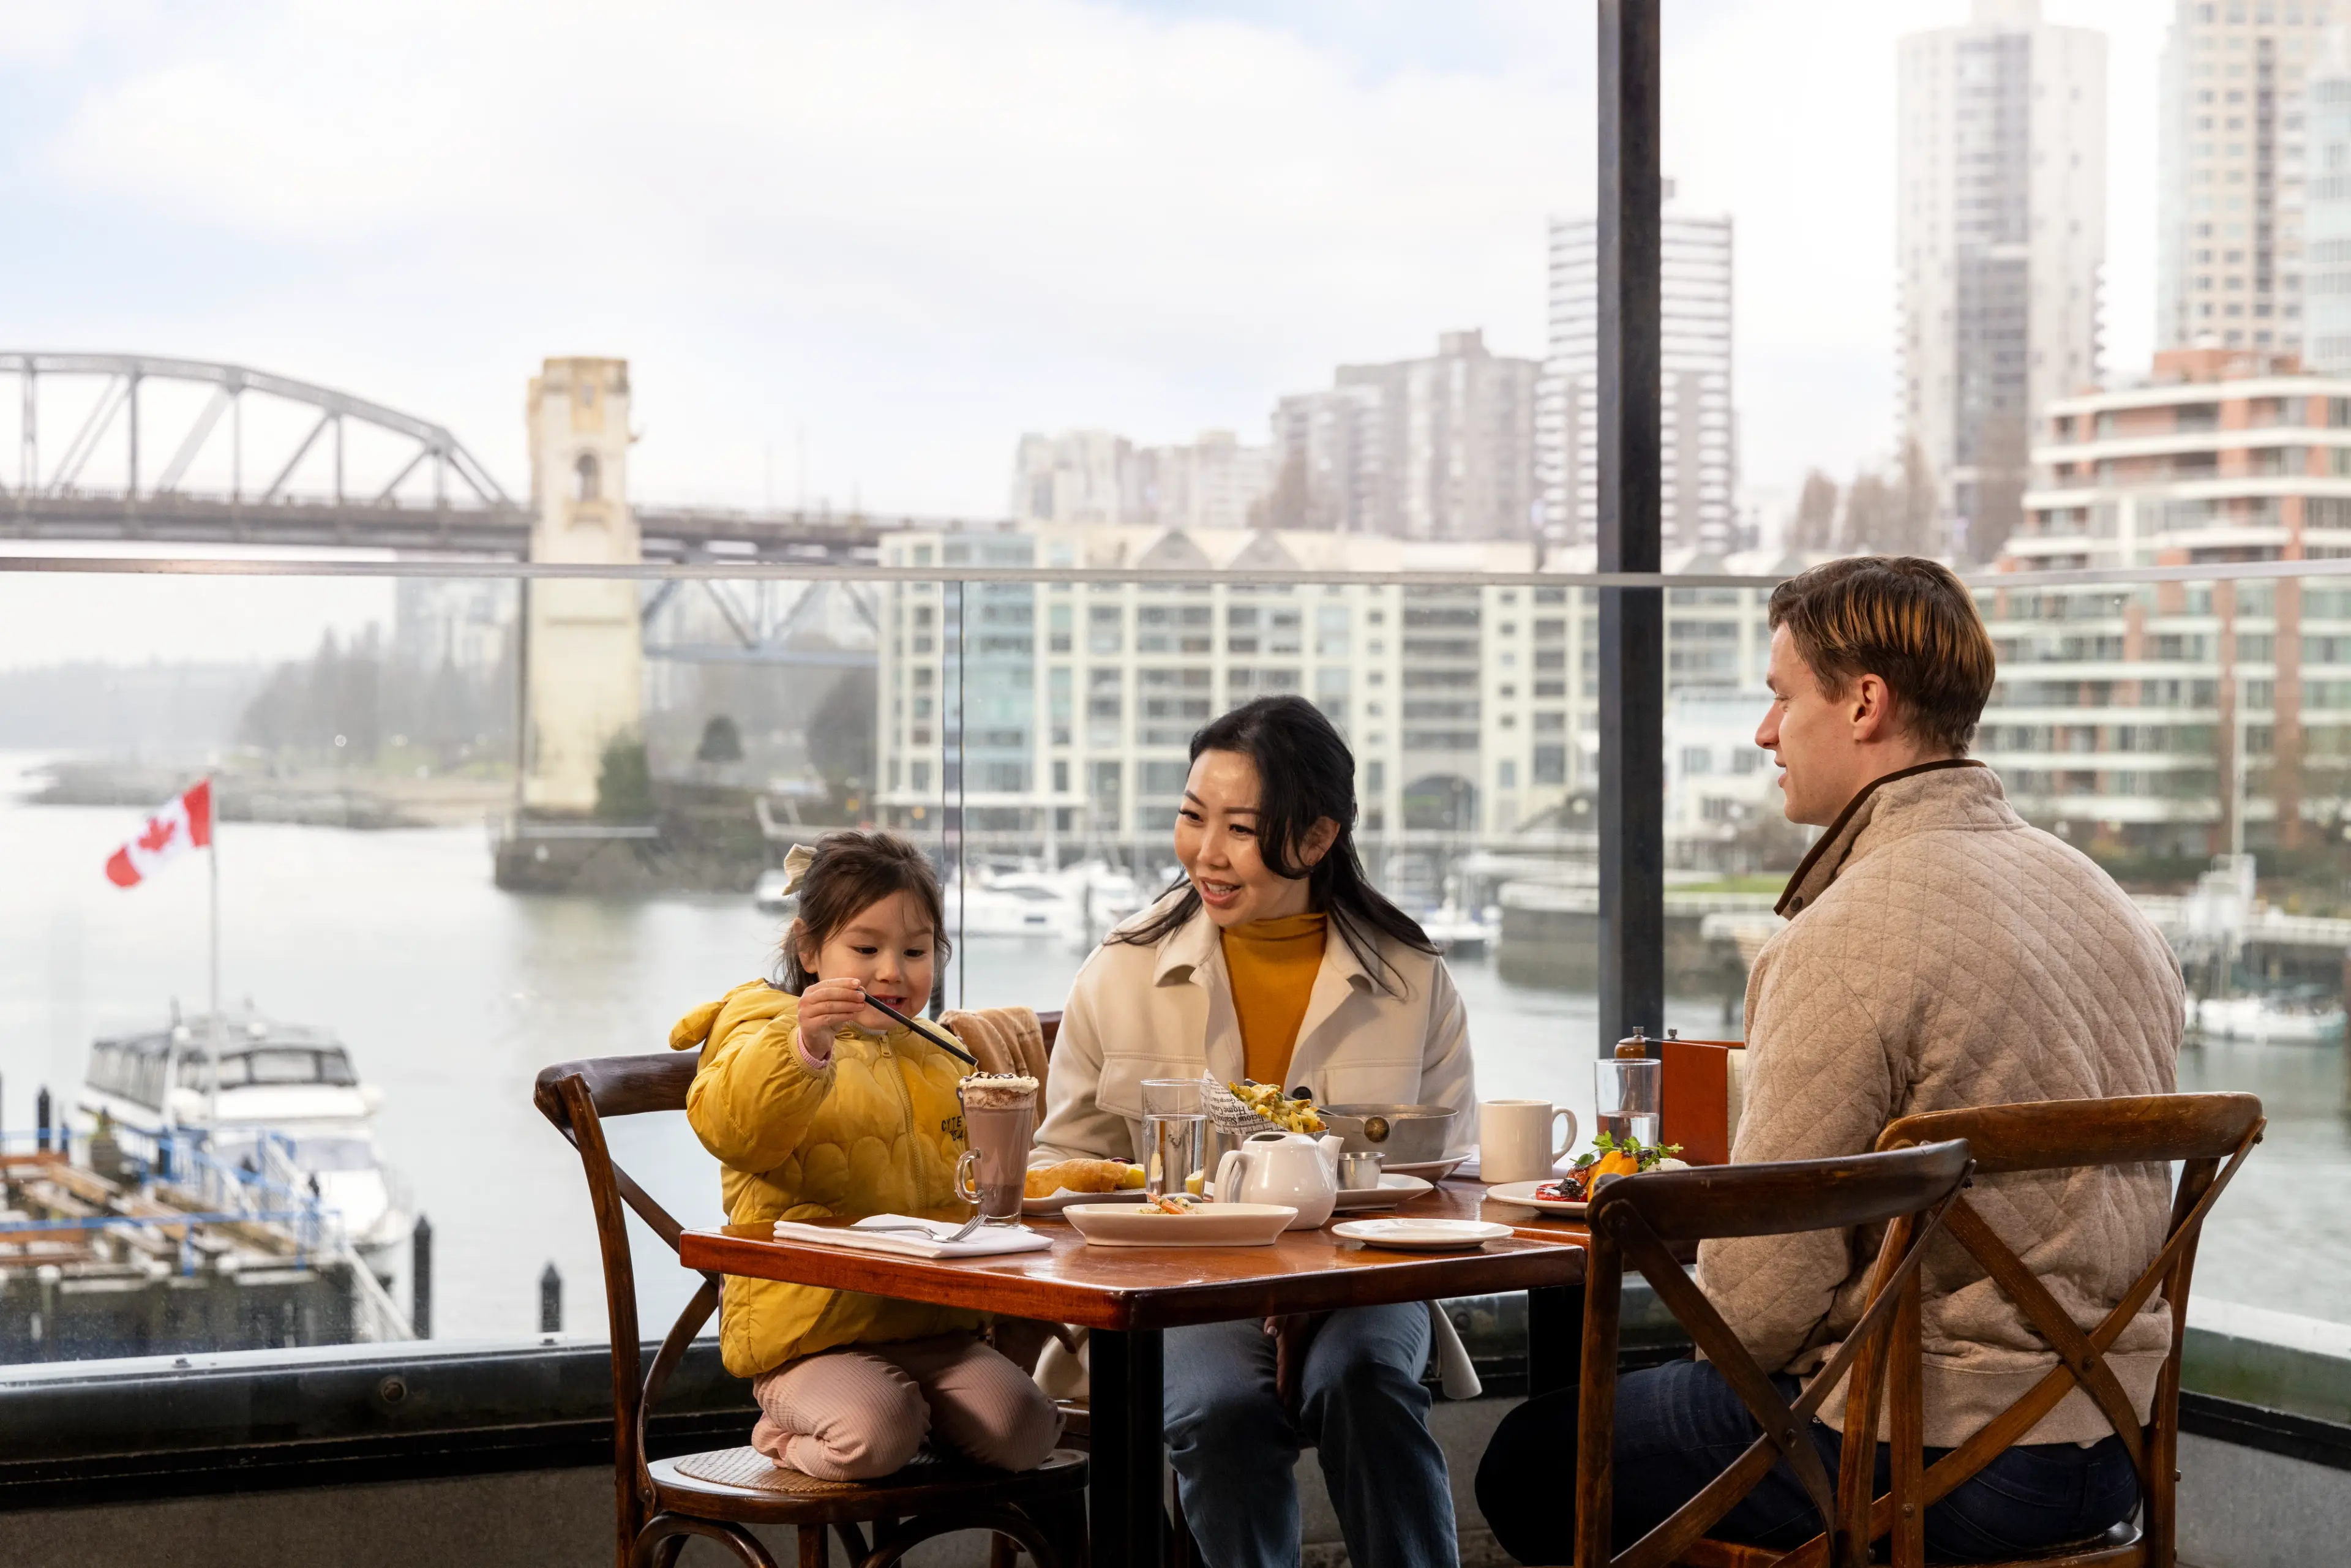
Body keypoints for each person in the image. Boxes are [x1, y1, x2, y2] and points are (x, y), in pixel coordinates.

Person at [1477, 557, 2181, 1562]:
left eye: (1779, 698)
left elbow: (1758, 1315)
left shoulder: (1847, 933)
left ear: (1865, 705)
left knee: (1534, 1456)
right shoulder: (2113, 908)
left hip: (1927, 1456)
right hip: (2116, 1445)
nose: (1765, 733)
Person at [1034, 694, 1477, 1568]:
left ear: (1316, 838)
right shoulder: (1120, 971)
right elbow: (1063, 1166)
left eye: (1241, 828)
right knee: (1219, 1412)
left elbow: (1442, 1183)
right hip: (1177, 1285)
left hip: (1365, 1282)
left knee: (1367, 1382)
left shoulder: (1414, 979)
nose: (1206, 852)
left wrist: (1315, 1287)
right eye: (1193, 817)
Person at [671, 830, 1062, 1480]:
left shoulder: (943, 1052)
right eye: (865, 947)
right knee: (877, 1427)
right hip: (807, 1335)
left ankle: (918, 1425)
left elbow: (966, 1189)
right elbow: (735, 1126)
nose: (892, 971)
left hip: (931, 1327)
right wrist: (807, 1045)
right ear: (808, 947)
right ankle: (784, 1435)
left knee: (1025, 1427)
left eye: (916, 950)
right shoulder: (763, 1027)